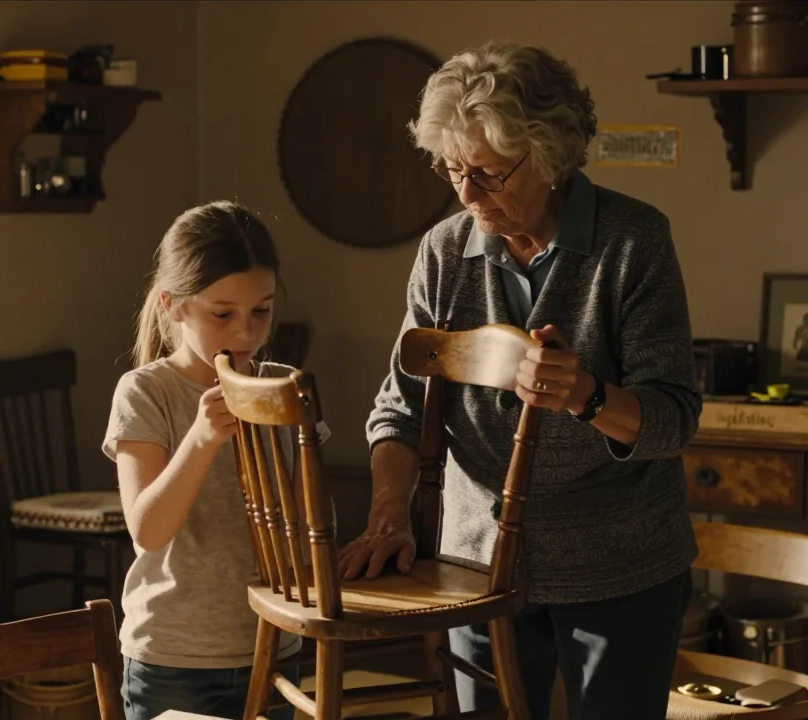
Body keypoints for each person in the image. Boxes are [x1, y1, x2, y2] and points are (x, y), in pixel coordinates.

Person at [338, 42, 701, 720]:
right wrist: (390, 513)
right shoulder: (445, 252)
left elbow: (673, 419)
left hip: (619, 563)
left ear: (549, 157)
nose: (468, 195)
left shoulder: (633, 243)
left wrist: (588, 396)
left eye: (489, 174)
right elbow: (399, 406)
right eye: (453, 171)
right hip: (478, 566)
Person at [103, 201, 321, 720]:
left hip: (273, 648)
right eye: (222, 314)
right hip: (173, 658)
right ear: (172, 306)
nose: (245, 334)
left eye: (261, 311)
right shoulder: (145, 393)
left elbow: (305, 533)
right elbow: (148, 532)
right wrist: (201, 439)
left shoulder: (283, 385)